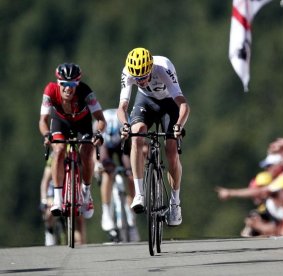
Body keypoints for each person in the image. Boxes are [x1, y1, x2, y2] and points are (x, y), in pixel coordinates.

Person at [117, 47, 190, 226]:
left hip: (169, 104)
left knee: (171, 151)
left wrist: (179, 126)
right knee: (137, 135)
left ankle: (175, 203)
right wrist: (125, 125)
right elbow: (122, 107)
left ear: (150, 69)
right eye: (137, 78)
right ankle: (139, 193)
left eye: (144, 77)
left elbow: (183, 105)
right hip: (146, 102)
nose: (140, 81)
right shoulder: (128, 72)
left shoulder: (163, 67)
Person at [39, 63, 106, 220]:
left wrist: (98, 133)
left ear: (78, 84)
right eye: (64, 84)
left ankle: (86, 193)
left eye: (72, 84)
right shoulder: (50, 91)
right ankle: (57, 198)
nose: (68, 88)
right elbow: (43, 120)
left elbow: (100, 119)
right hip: (60, 122)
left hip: (82, 123)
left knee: (87, 150)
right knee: (59, 149)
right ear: (58, 83)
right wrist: (46, 134)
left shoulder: (86, 92)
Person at [94, 108, 139, 241]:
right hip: (104, 145)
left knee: (131, 174)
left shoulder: (126, 125)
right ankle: (106, 212)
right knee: (107, 172)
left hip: (123, 145)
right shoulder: (98, 127)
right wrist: (97, 165)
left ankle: (131, 214)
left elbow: (135, 147)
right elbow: (94, 151)